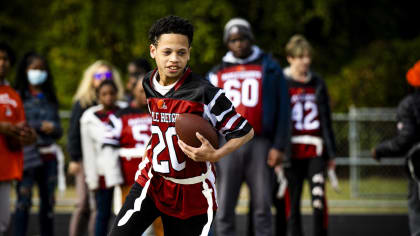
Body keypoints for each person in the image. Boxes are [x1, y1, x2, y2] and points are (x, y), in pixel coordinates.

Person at [108, 15, 254, 236]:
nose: (174, 59)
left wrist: (216, 154)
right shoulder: (148, 82)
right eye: (167, 52)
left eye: (181, 52)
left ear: (189, 53)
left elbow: (245, 131)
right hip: (153, 181)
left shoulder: (205, 93)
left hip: (193, 190)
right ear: (153, 51)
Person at [207, 18, 290, 236]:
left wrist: (279, 145)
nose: (239, 44)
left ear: (251, 39)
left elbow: (284, 110)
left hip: (259, 143)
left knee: (262, 207)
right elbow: (206, 114)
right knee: (224, 207)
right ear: (227, 43)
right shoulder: (216, 73)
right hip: (228, 144)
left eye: (243, 38)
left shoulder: (270, 68)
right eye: (233, 40)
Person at [283, 35, 336, 236]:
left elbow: (326, 120)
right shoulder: (282, 83)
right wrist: (279, 150)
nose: (306, 60)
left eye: (307, 56)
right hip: (292, 152)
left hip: (315, 151)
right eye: (300, 57)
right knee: (292, 203)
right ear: (290, 58)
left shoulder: (317, 82)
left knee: (318, 200)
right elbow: (278, 120)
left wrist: (331, 154)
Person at [67, 60, 124, 236]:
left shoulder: (119, 104)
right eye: (99, 75)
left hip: (108, 161)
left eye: (107, 75)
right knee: (84, 203)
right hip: (86, 159)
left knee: (102, 208)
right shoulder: (83, 103)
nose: (103, 78)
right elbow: (74, 133)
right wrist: (74, 158)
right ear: (91, 78)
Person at [104, 76, 164, 236]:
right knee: (131, 225)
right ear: (133, 92)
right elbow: (108, 150)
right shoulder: (119, 116)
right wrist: (114, 178)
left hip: (162, 180)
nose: (147, 95)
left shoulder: (165, 112)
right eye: (141, 91)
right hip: (131, 180)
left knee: (164, 224)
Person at [13, 52, 63, 236]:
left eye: (42, 69)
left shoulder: (50, 97)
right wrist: (39, 126)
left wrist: (54, 128)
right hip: (27, 155)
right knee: (23, 201)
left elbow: (59, 130)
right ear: (25, 70)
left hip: (49, 157)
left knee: (48, 203)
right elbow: (16, 124)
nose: (38, 72)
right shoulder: (18, 96)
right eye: (34, 69)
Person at [373, 60, 420, 236]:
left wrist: (381, 150)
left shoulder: (409, 104)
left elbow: (405, 139)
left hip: (418, 163)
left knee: (416, 208)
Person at [81, 80, 126, 236]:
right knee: (103, 213)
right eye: (104, 94)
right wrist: (91, 178)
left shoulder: (125, 111)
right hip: (103, 173)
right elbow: (88, 151)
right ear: (98, 96)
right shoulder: (89, 118)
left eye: (112, 93)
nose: (108, 97)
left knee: (124, 213)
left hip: (125, 169)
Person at [0, 43, 36, 236]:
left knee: (3, 223)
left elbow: (21, 126)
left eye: (5, 59)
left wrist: (28, 136)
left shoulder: (13, 95)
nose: (2, 63)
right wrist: (3, 127)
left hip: (5, 166)